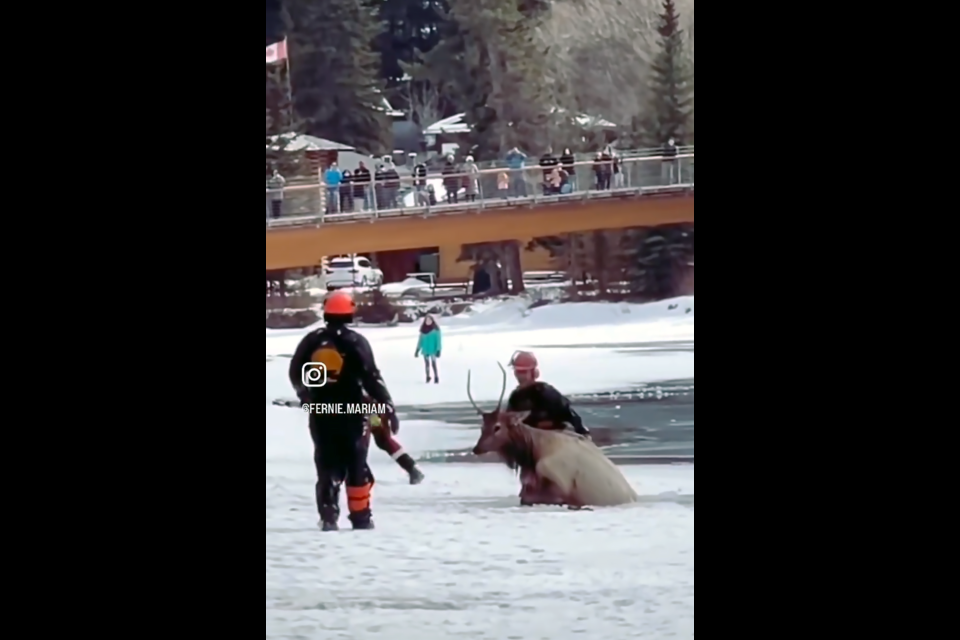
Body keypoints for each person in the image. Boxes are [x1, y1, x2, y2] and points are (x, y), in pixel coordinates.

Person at [289, 291, 399, 531]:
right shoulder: (356, 342)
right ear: (350, 311)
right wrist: (387, 405)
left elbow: (295, 372)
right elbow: (371, 377)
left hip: (322, 411)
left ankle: (328, 514)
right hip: (352, 410)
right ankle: (360, 517)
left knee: (326, 462)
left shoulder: (311, 341)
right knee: (356, 463)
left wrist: (305, 395)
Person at [505, 350, 590, 437]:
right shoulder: (515, 398)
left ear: (534, 373)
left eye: (524, 372)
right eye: (518, 372)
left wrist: (581, 431)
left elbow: (569, 415)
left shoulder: (548, 394)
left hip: (553, 441)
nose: (520, 377)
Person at [366, 408, 425, 484]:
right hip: (364, 410)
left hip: (367, 411)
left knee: (381, 439)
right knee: (381, 439)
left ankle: (411, 468)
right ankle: (411, 468)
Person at [415, 315, 442, 383]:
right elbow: (420, 341)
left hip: (433, 350)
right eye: (427, 320)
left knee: (433, 364)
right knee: (426, 364)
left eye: (429, 320)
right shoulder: (422, 331)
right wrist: (417, 350)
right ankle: (427, 376)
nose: (428, 321)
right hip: (425, 350)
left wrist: (438, 350)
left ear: (432, 321)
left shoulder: (436, 330)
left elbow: (438, 341)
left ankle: (436, 377)